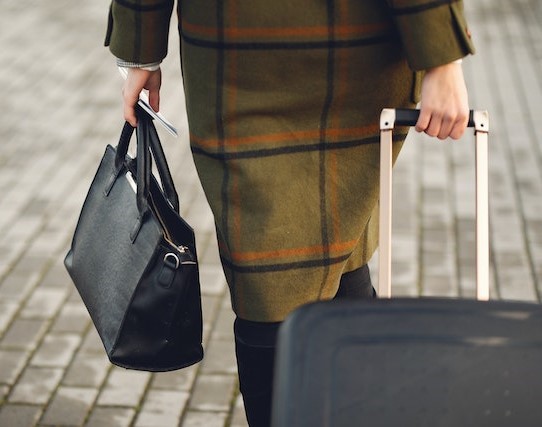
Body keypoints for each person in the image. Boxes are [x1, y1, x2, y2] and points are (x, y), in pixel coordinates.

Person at [105, 1, 475, 425]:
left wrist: (442, 57)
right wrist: (140, 46)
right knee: (269, 279)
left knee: (343, 247)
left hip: (355, 56)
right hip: (237, 57)